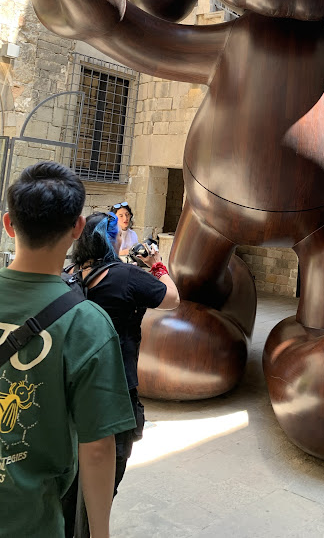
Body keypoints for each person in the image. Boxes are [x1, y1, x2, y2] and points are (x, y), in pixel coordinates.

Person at [0, 162, 135, 538]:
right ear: (77, 228)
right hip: (28, 521)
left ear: (9, 224)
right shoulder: (87, 324)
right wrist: (100, 533)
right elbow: (97, 447)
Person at [62, 211, 179, 536]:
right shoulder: (125, 276)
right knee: (105, 477)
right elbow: (172, 298)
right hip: (116, 389)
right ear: (110, 239)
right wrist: (157, 265)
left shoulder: (67, 275)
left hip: (71, 388)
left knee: (70, 476)